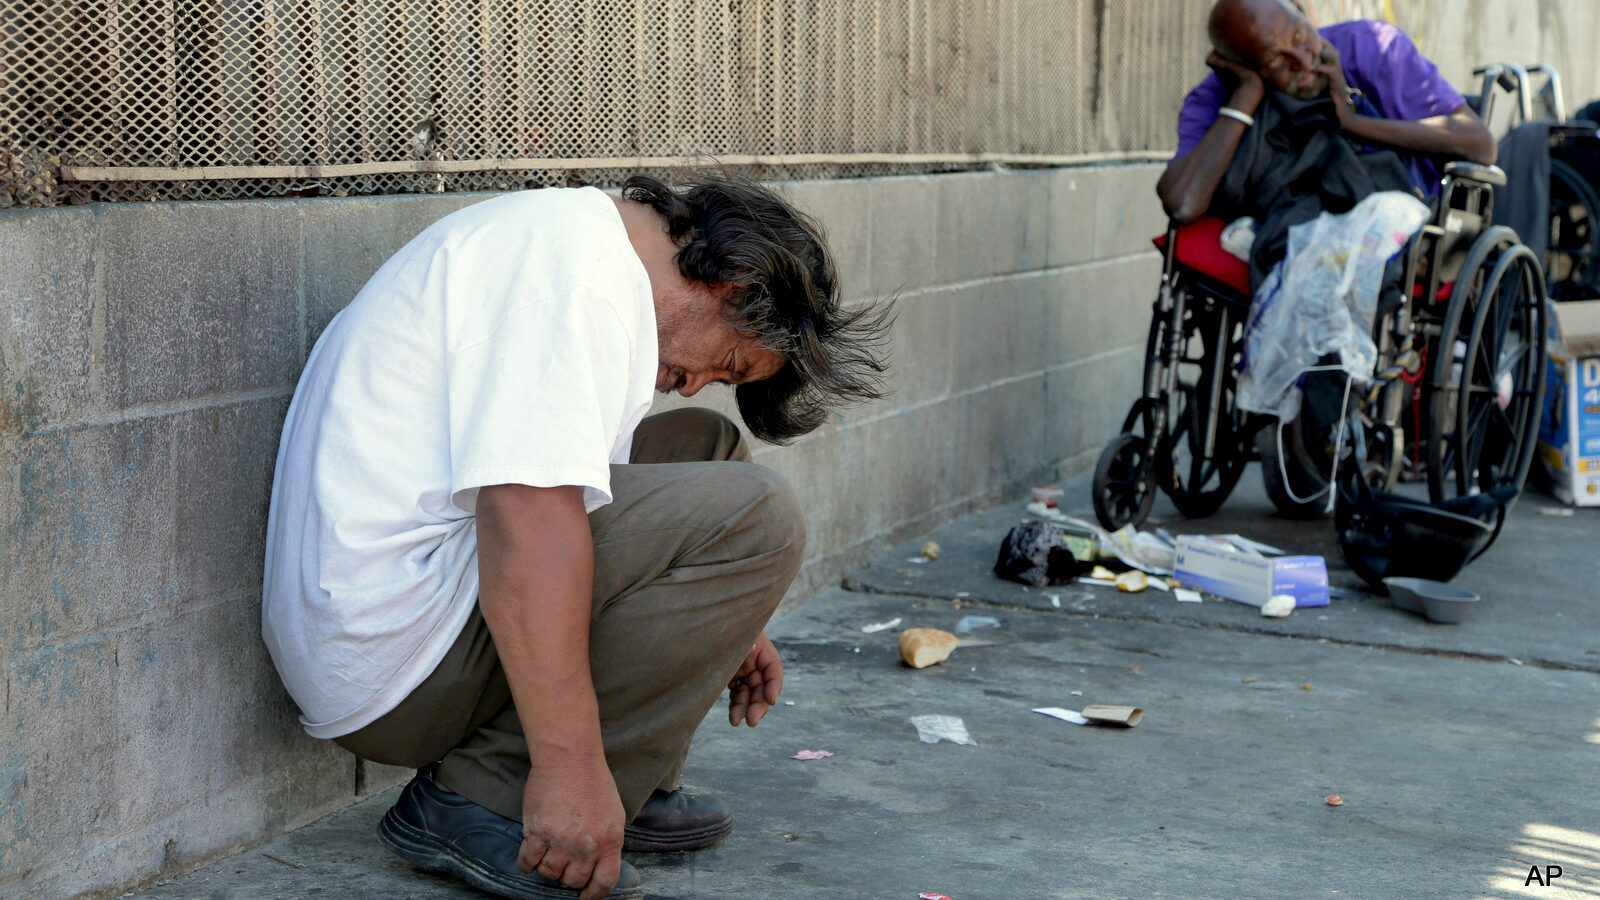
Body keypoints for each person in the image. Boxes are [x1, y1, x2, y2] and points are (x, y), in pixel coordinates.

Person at [261, 173, 892, 900]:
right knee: (756, 518)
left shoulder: (580, 250)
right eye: (729, 364)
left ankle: (633, 780)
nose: (694, 383)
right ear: (729, 284)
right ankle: (488, 798)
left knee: (704, 445)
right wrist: (569, 767)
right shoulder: (568, 277)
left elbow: (579, 513)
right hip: (390, 661)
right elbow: (530, 530)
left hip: (415, 611)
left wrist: (724, 619)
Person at [1157, 0, 1496, 225]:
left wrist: (1351, 123)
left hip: (1401, 207)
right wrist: (1246, 96)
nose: (1303, 61)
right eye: (1276, 61)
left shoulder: (1373, 47)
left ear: (1303, 11)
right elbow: (1183, 204)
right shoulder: (1213, 98)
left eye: (1300, 35)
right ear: (1240, 66)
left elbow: (1480, 144)